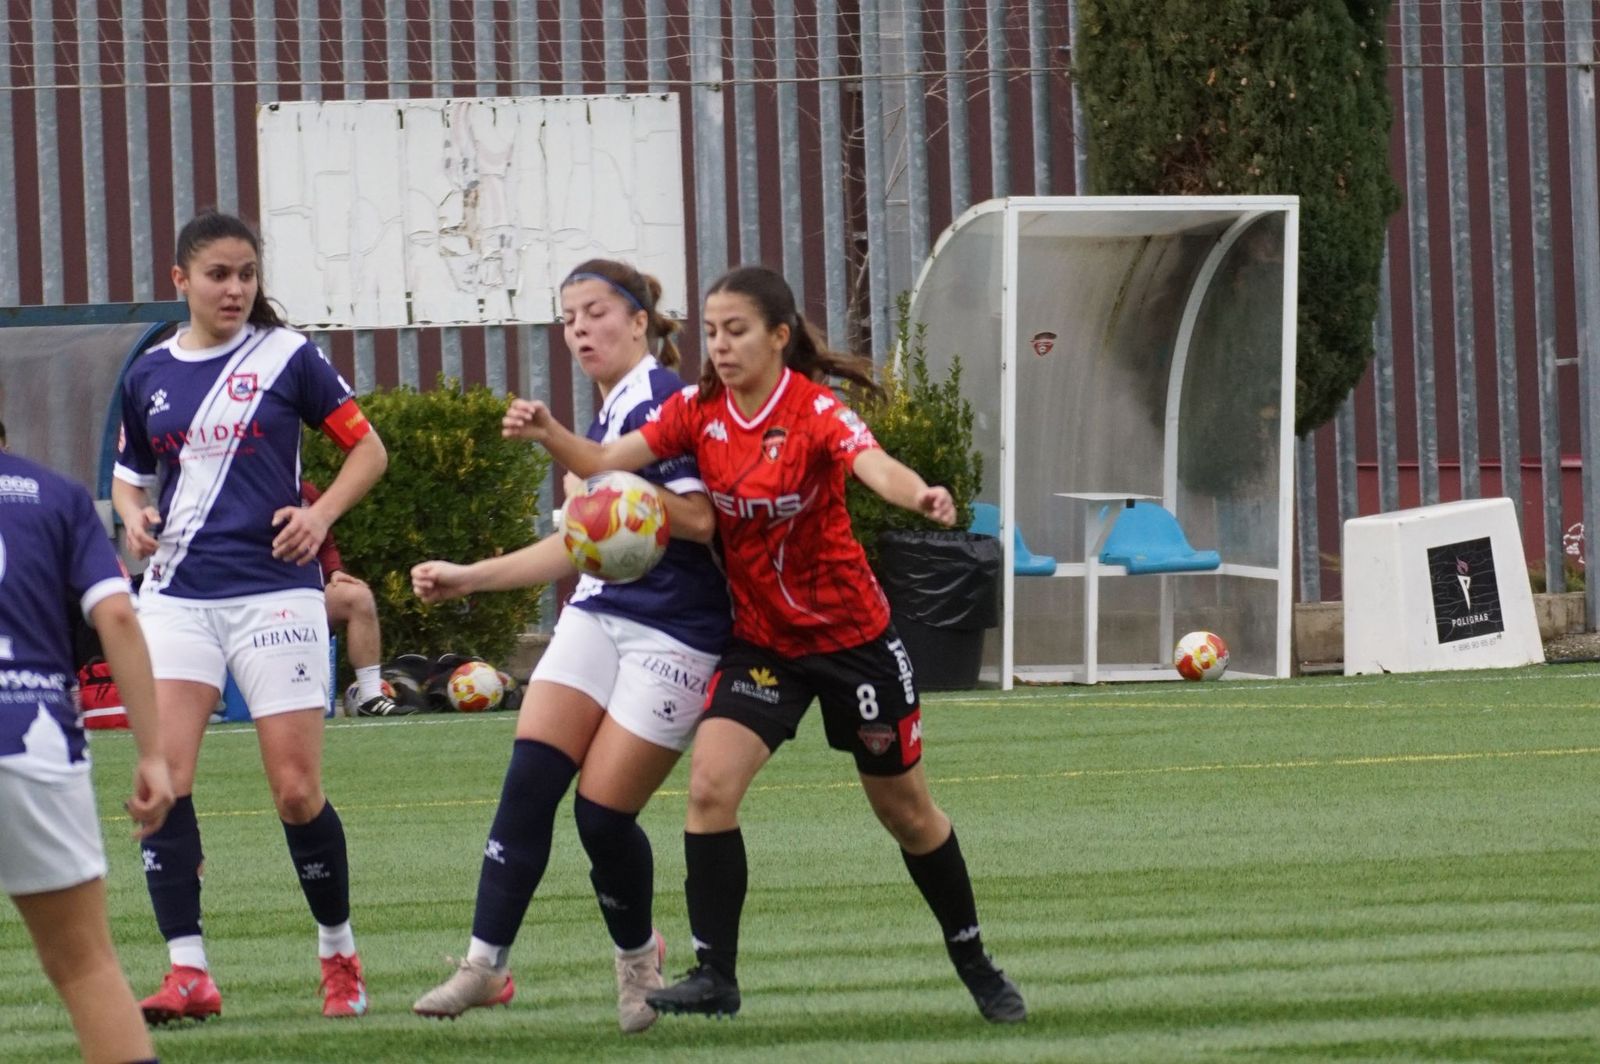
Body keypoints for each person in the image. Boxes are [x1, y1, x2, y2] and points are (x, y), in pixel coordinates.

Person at [503, 264, 1027, 1023]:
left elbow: (871, 463)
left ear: (780, 337)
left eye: (737, 330)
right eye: (711, 331)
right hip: (763, 645)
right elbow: (612, 464)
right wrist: (551, 432)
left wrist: (919, 492)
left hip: (854, 643)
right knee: (710, 789)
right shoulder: (697, 412)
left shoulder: (815, 412)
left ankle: (974, 960)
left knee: (906, 813)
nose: (719, 345)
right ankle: (716, 973)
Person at [409, 259, 731, 1033]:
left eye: (595, 312)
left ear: (641, 321)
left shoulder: (662, 399)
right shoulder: (611, 412)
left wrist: (573, 456)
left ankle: (636, 961)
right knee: (529, 781)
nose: (580, 328)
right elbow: (585, 546)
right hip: (599, 614)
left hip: (674, 631)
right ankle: (484, 965)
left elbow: (696, 522)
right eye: (568, 317)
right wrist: (471, 578)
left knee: (600, 815)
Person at [111, 209, 388, 1023]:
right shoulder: (149, 372)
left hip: (275, 592)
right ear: (181, 281)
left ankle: (339, 952)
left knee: (297, 791)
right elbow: (132, 474)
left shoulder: (287, 356)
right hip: (177, 597)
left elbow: (368, 449)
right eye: (218, 275)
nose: (234, 289)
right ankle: (188, 971)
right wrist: (132, 514)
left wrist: (322, 515)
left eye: (246, 274)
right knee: (163, 784)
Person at [0, 446, 175, 1063]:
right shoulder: (56, 494)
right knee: (85, 968)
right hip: (32, 732)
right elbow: (118, 618)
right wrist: (154, 753)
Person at [299, 478, 404, 717]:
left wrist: (334, 571)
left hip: (307, 596)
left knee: (358, 597)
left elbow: (325, 543)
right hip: (254, 600)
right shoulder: (234, 489)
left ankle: (370, 697)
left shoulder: (305, 492)